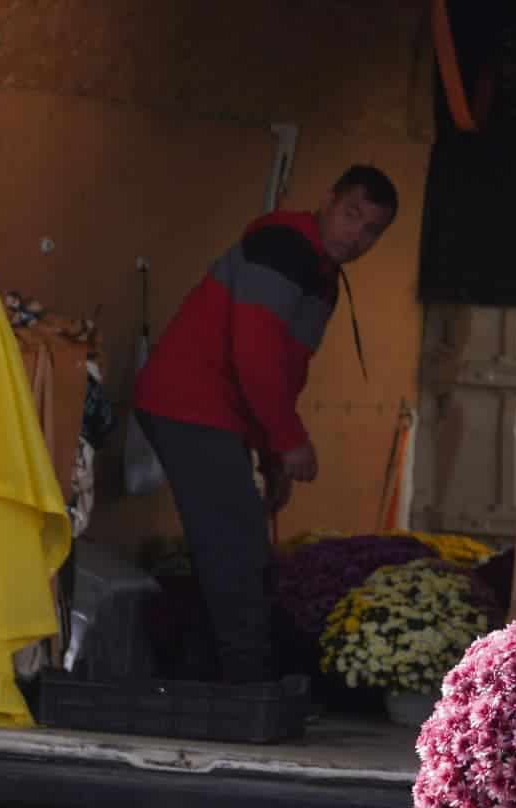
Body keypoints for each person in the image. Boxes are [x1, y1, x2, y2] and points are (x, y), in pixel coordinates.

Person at [133, 165, 398, 683]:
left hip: (216, 413)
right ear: (327, 200)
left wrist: (272, 458)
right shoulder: (283, 249)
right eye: (350, 215)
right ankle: (246, 688)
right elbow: (253, 356)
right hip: (188, 404)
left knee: (232, 547)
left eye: (372, 230)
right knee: (236, 550)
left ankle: (201, 680)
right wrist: (288, 441)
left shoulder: (320, 274)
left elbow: (282, 372)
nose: (356, 235)